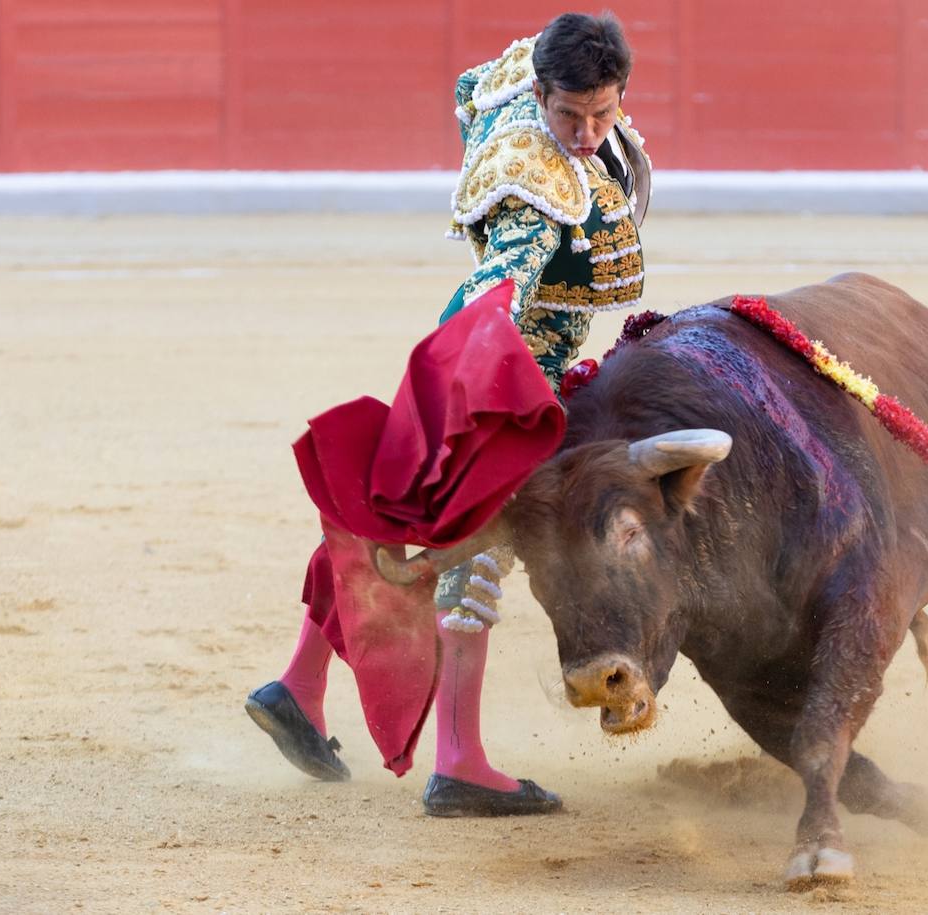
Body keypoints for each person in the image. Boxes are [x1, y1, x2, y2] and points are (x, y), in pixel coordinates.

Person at [245, 12, 651, 817]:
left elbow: (474, 86)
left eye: (602, 114)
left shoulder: (515, 85)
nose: (584, 133)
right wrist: (465, 398)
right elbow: (493, 288)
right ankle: (459, 760)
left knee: (393, 515)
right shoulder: (533, 194)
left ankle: (298, 684)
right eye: (569, 115)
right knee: (470, 550)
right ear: (543, 94)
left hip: (483, 366)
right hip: (501, 379)